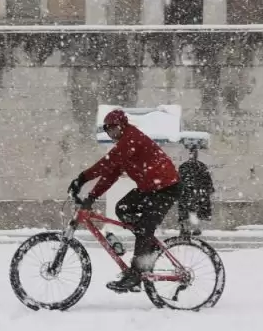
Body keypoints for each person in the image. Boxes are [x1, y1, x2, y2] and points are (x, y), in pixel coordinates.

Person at [68, 109, 180, 292]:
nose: (111, 133)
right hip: (150, 188)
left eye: (114, 128)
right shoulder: (124, 145)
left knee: (143, 229)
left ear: (123, 125)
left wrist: (82, 178)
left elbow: (107, 162)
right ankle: (147, 243)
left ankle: (136, 273)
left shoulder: (131, 138)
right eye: (108, 130)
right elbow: (110, 174)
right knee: (123, 208)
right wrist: (92, 197)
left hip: (166, 188)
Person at [177, 144, 215, 236]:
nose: (193, 155)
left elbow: (207, 180)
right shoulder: (188, 166)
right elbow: (207, 180)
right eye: (192, 153)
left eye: (194, 153)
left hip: (191, 193)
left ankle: (190, 228)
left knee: (190, 212)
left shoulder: (198, 166)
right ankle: (188, 228)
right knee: (188, 212)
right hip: (191, 193)